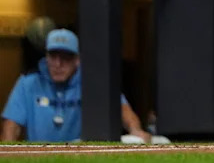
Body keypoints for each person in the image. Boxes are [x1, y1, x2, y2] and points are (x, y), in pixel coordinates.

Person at [1, 29, 151, 142]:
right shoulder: (28, 84)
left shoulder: (92, 84)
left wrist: (135, 130)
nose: (58, 64)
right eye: (53, 56)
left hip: (79, 159)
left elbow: (121, 107)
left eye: (65, 57)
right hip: (39, 159)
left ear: (77, 60)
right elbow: (11, 126)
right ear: (46, 57)